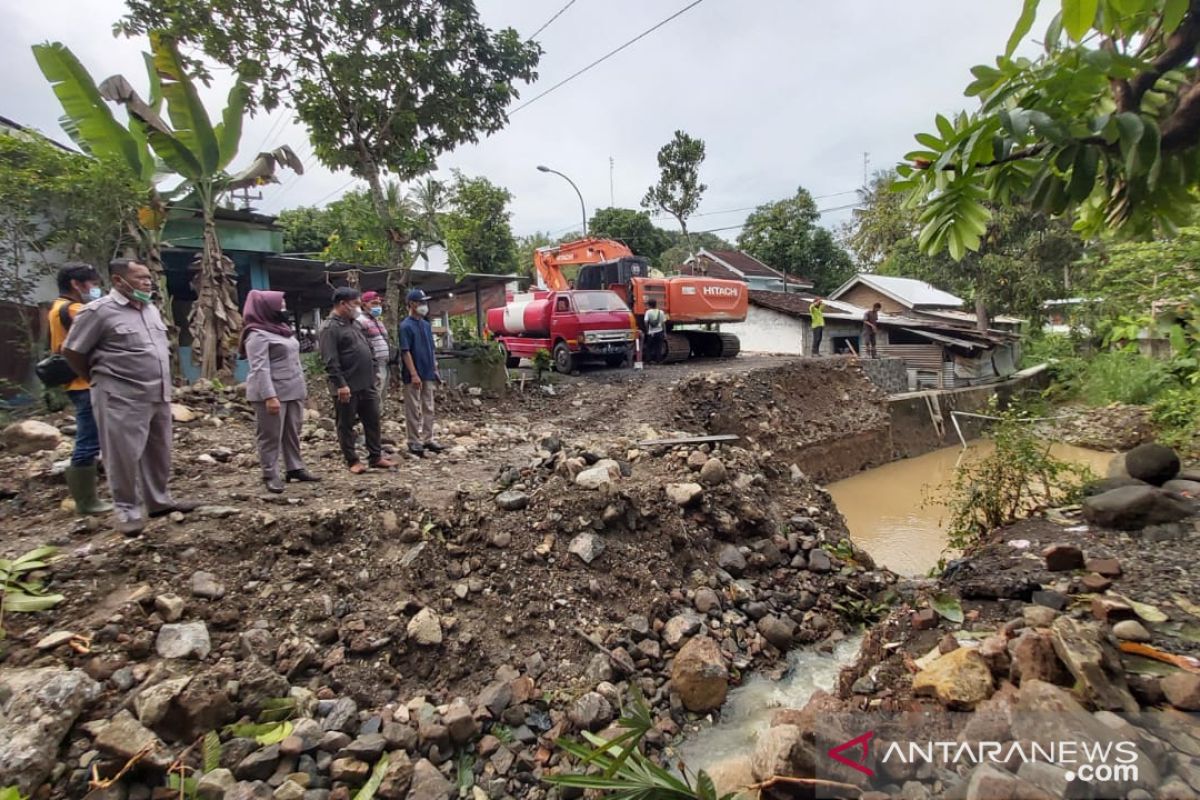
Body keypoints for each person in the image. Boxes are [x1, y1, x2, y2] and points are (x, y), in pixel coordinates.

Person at [62, 258, 201, 535]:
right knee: (122, 455)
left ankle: (159, 500)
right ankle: (127, 511)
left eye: (149, 277)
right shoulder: (98, 311)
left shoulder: (150, 310)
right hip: (121, 394)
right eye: (140, 278)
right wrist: (96, 379)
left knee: (158, 451)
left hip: (157, 393)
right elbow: (73, 351)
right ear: (118, 280)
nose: (147, 282)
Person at [241, 290, 319, 493]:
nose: (283, 307)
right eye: (280, 304)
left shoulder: (282, 329)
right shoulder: (256, 334)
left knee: (292, 432)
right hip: (273, 392)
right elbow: (260, 368)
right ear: (267, 307)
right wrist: (270, 396)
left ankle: (294, 467)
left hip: (293, 389)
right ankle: (270, 473)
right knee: (270, 435)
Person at [49, 263, 111, 516]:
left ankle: (88, 498)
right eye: (93, 284)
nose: (96, 289)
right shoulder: (75, 310)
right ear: (77, 284)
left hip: (76, 383)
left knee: (91, 438)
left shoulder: (56, 308)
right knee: (88, 441)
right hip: (85, 382)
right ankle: (87, 502)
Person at [319, 287, 394, 473]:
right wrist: (341, 385)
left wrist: (374, 369)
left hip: (366, 382)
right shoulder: (330, 328)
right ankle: (352, 460)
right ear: (342, 304)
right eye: (355, 304)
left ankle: (375, 456)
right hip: (347, 385)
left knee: (373, 420)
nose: (358, 308)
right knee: (346, 423)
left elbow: (368, 347)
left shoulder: (353, 324)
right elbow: (330, 360)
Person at [400, 288, 445, 456]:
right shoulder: (405, 326)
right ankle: (413, 440)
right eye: (421, 302)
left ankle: (428, 438)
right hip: (413, 373)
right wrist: (413, 373)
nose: (424, 305)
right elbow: (405, 351)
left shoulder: (426, 325)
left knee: (429, 406)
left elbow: (431, 349)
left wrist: (435, 368)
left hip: (427, 371)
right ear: (412, 304)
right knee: (413, 408)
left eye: (425, 302)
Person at [358, 291, 393, 412]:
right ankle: (372, 419)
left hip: (384, 363)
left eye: (379, 303)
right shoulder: (360, 321)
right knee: (374, 394)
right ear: (364, 305)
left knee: (381, 393)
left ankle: (378, 418)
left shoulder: (378, 321)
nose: (377, 306)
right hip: (373, 365)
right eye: (374, 303)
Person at [644, 299, 668, 364]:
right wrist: (665, 332)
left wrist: (647, 330)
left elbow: (646, 322)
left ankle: (649, 360)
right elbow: (663, 323)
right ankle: (658, 360)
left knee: (649, 347)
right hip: (660, 332)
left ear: (649, 305)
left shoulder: (648, 312)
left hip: (651, 333)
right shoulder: (661, 312)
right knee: (658, 347)